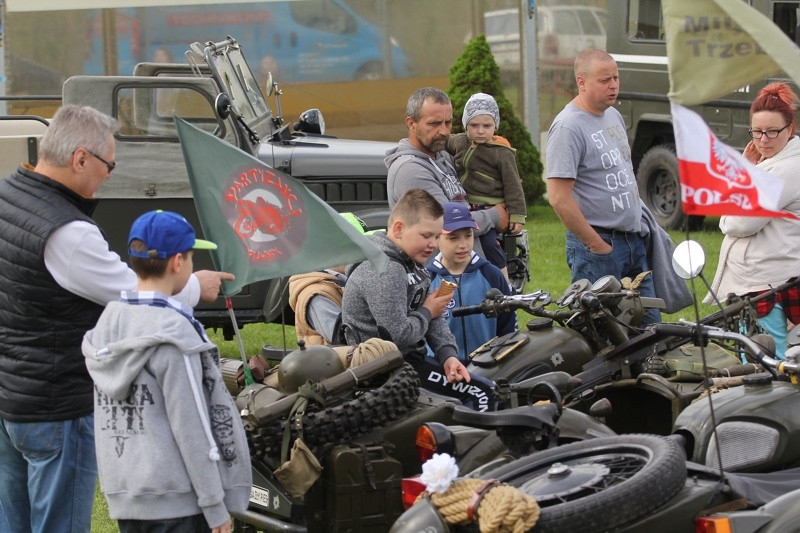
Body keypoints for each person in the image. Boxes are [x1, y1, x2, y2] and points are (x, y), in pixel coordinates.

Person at [0, 105, 232, 533]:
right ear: (81, 159)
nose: (110, 174)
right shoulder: (68, 233)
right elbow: (137, 294)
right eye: (109, 164)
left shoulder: (7, 194)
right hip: (56, 406)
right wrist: (196, 285)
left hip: (11, 395)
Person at [83, 210, 251, 533]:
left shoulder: (106, 327)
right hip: (178, 504)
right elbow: (193, 427)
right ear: (177, 263)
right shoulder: (175, 335)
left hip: (127, 499)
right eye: (190, 258)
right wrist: (215, 506)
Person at [341, 188, 494, 411]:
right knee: (482, 393)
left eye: (436, 236)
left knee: (481, 387)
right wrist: (427, 311)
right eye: (426, 236)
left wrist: (447, 355)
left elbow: (434, 312)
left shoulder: (412, 263)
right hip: (381, 373)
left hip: (408, 361)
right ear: (399, 229)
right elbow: (398, 336)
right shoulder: (385, 269)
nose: (433, 244)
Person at [546, 48, 660, 326]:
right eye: (604, 80)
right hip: (599, 246)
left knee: (652, 328)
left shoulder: (613, 116)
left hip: (633, 240)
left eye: (616, 78)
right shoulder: (568, 128)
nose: (613, 85)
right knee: (605, 334)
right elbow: (559, 199)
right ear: (581, 82)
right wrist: (597, 245)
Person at [705, 82, 800, 358]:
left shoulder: (785, 169)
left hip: (769, 285)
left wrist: (727, 216)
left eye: (772, 131)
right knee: (761, 359)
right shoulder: (773, 163)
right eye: (757, 132)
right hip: (765, 282)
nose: (764, 140)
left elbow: (740, 223)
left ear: (790, 129)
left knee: (768, 364)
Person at [385, 87, 510, 261]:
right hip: (443, 280)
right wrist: (494, 216)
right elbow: (448, 223)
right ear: (411, 123)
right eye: (434, 123)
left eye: (448, 123)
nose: (444, 131)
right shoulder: (410, 170)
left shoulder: (442, 156)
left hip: (470, 271)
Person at [447, 92, 526, 281]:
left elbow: (513, 185)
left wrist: (517, 214)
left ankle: (503, 280)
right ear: (466, 124)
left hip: (490, 206)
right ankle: (473, 280)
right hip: (467, 204)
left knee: (489, 243)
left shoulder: (501, 153)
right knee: (467, 243)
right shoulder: (459, 142)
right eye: (474, 125)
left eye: (487, 126)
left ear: (495, 126)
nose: (480, 131)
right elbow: (441, 142)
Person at [427, 202, 517, 360]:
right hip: (442, 370)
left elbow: (509, 325)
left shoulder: (491, 274)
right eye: (453, 238)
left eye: (468, 236)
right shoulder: (427, 279)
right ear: (436, 238)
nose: (463, 245)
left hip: (487, 367)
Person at [288, 213, 367, 345]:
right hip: (338, 364)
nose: (364, 254)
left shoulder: (344, 280)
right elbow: (344, 337)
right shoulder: (316, 294)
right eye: (357, 247)